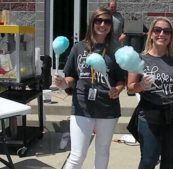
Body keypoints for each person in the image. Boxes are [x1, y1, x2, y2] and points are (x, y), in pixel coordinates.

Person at [54, 8, 125, 169]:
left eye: (107, 21)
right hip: (82, 106)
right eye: (98, 21)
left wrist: (118, 89)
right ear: (92, 23)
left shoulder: (116, 49)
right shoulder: (78, 48)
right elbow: (71, 76)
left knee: (102, 152)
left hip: (107, 107)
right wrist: (63, 83)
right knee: (77, 155)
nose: (102, 24)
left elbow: (121, 80)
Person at [127, 17, 173, 169]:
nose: (162, 34)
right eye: (157, 30)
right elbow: (130, 88)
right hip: (149, 116)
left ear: (171, 36)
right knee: (148, 160)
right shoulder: (139, 59)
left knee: (169, 161)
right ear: (151, 34)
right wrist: (141, 85)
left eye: (166, 31)